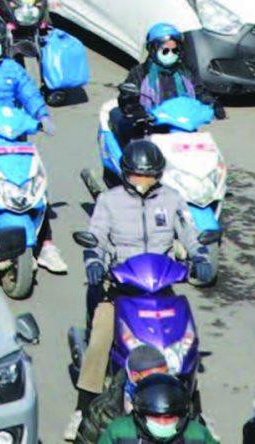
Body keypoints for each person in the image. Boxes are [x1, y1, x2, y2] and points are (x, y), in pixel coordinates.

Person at [74, 137, 203, 400]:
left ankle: (191, 403)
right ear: (125, 173)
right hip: (121, 289)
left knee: (185, 339)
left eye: (149, 176)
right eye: (136, 176)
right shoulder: (109, 201)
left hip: (161, 289)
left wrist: (201, 257)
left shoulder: (172, 199)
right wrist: (94, 263)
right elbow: (95, 238)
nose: (142, 182)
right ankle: (83, 407)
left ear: (159, 174)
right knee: (101, 337)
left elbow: (189, 232)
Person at [114, 22, 208, 147]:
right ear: (153, 50)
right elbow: (127, 97)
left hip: (183, 128)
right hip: (149, 130)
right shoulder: (140, 73)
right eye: (165, 50)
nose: (170, 54)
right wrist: (136, 110)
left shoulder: (186, 72)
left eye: (174, 50)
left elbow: (199, 91)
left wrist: (211, 104)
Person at [86, 371, 218, 444]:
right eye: (155, 417)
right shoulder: (119, 432)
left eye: (169, 417)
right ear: (140, 415)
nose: (162, 423)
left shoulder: (198, 435)